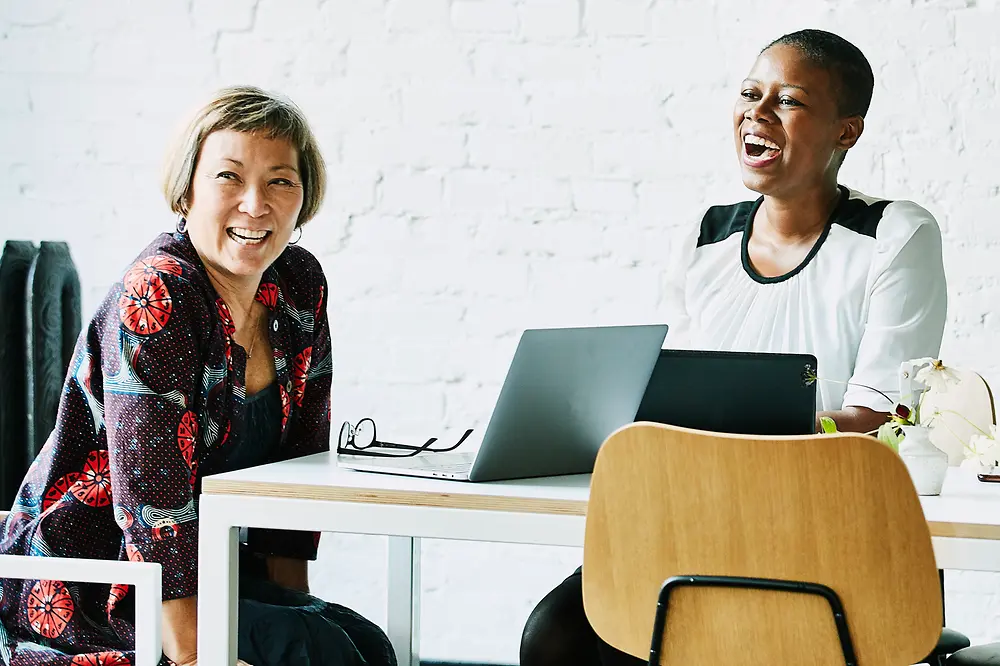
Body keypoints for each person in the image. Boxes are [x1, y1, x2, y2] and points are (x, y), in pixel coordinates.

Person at [520, 29, 947, 666]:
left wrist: (740, 444)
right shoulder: (705, 236)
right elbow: (677, 396)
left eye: (790, 100)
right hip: (702, 520)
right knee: (559, 637)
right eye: (750, 93)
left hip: (836, 531)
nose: (758, 111)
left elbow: (882, 419)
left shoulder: (895, 234)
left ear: (845, 132)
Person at [0, 87, 396, 666]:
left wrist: (292, 603)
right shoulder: (160, 293)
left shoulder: (299, 285)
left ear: (303, 198)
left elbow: (301, 461)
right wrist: (191, 658)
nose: (255, 204)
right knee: (317, 651)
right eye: (229, 178)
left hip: (208, 575)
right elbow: (150, 502)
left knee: (361, 645)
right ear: (187, 190)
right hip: (95, 584)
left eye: (281, 181)